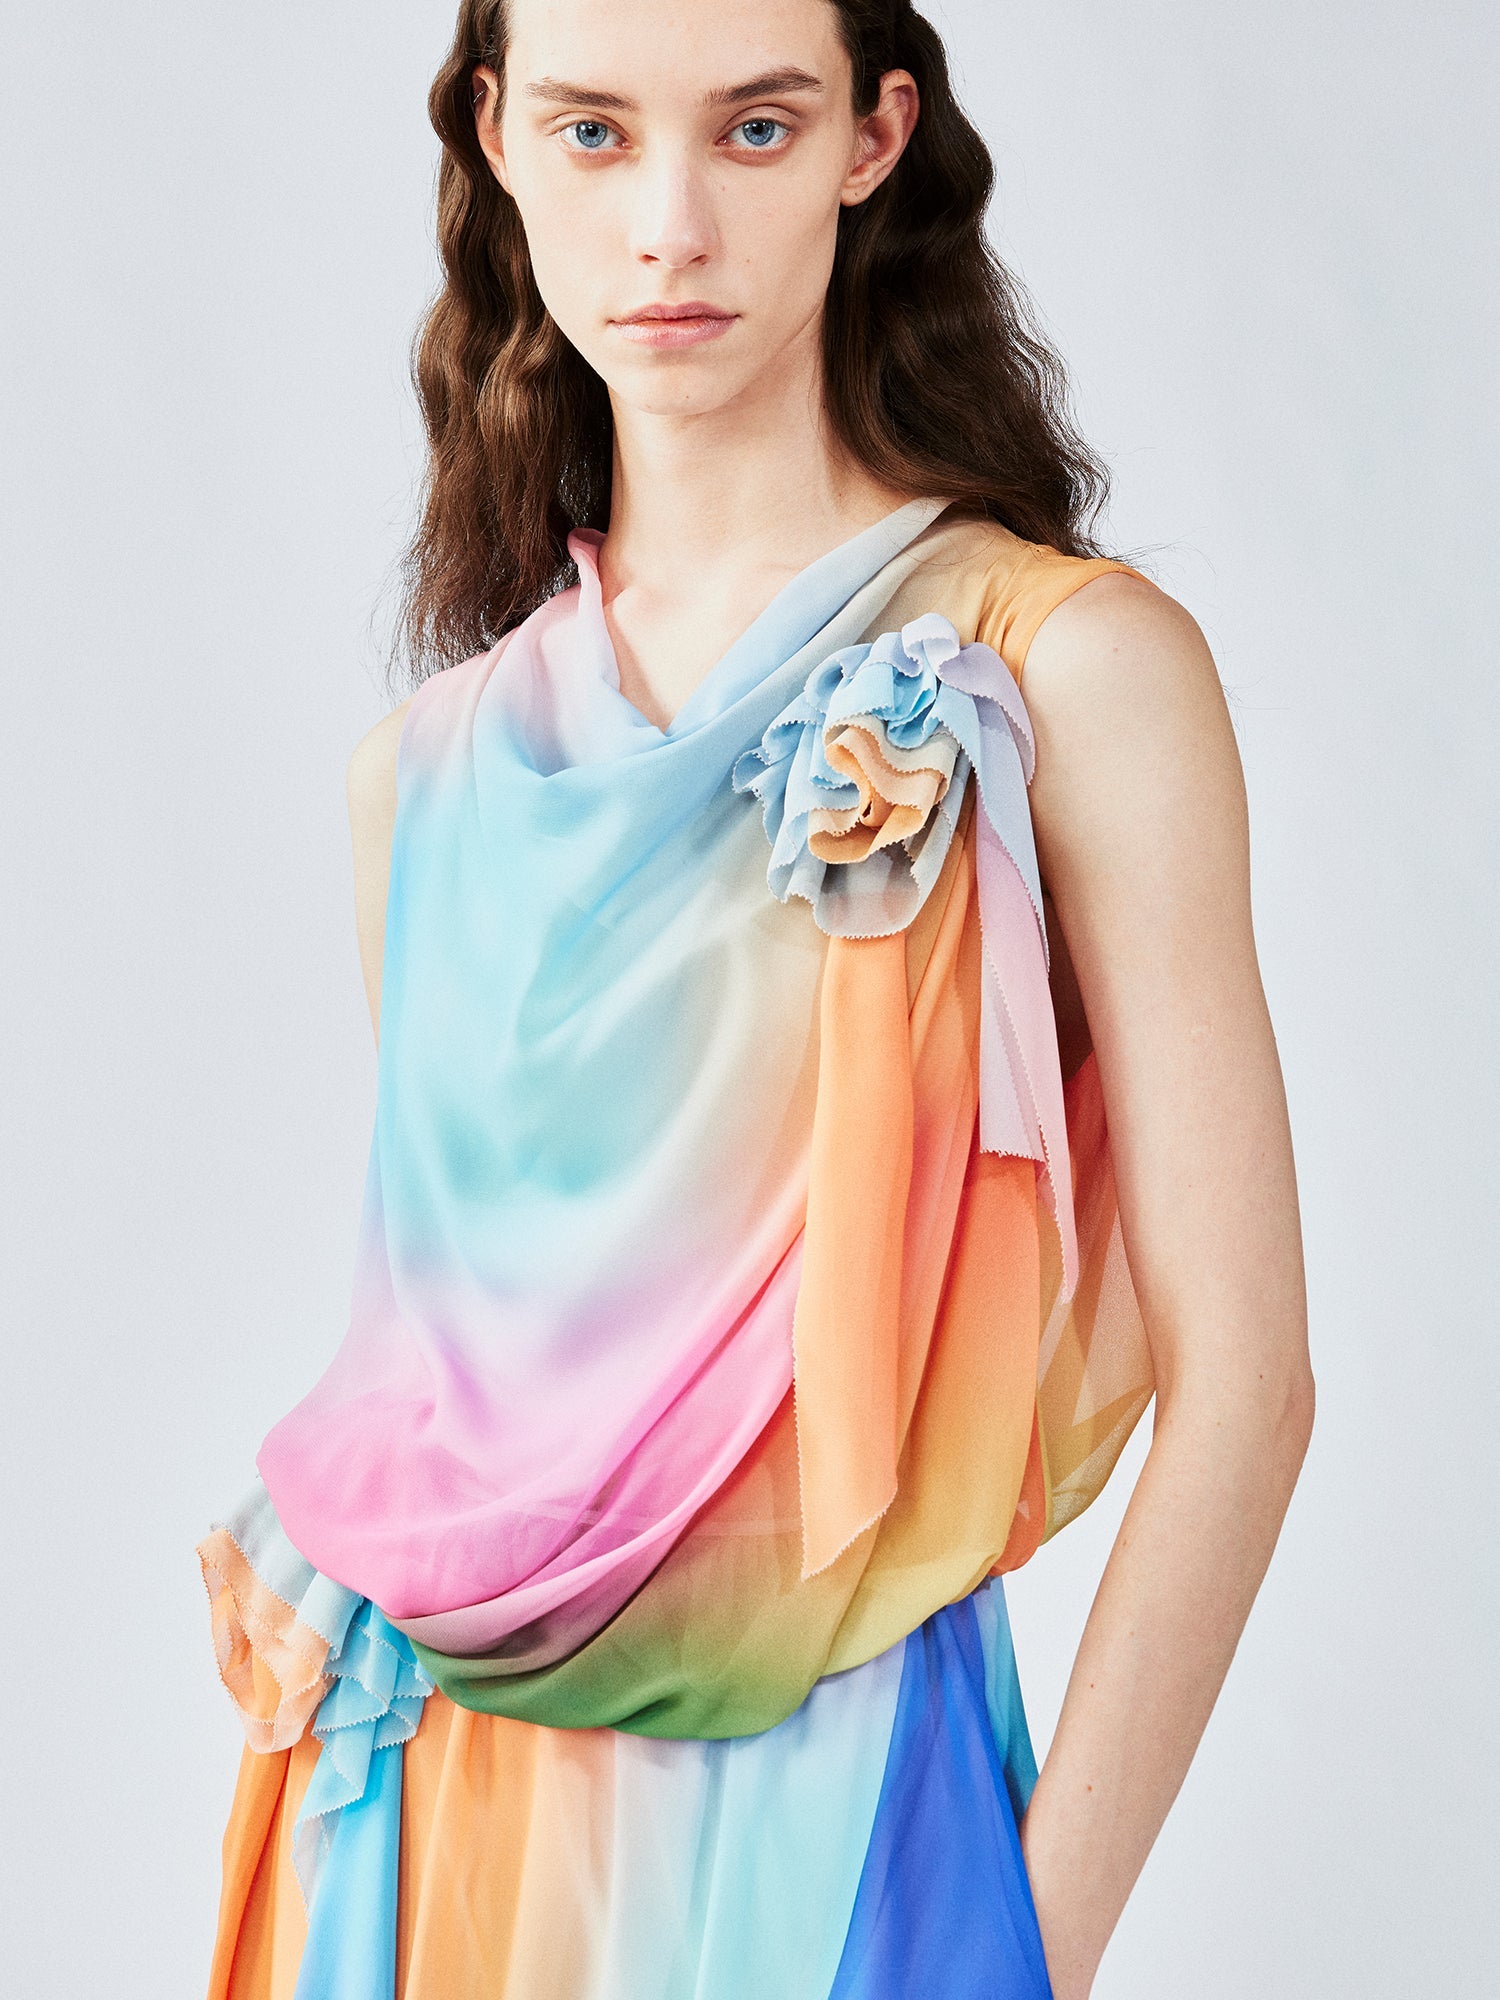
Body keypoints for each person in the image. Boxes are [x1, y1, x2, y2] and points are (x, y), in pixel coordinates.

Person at [195, 2, 1314, 1995]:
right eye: (595, 132)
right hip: (401, 1822)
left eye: (756, 128)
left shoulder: (1065, 668)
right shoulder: (424, 778)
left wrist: (1019, 1946)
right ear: (496, 138)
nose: (672, 226)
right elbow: (482, 1395)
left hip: (827, 1827)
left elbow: (1250, 1386)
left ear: (876, 137)